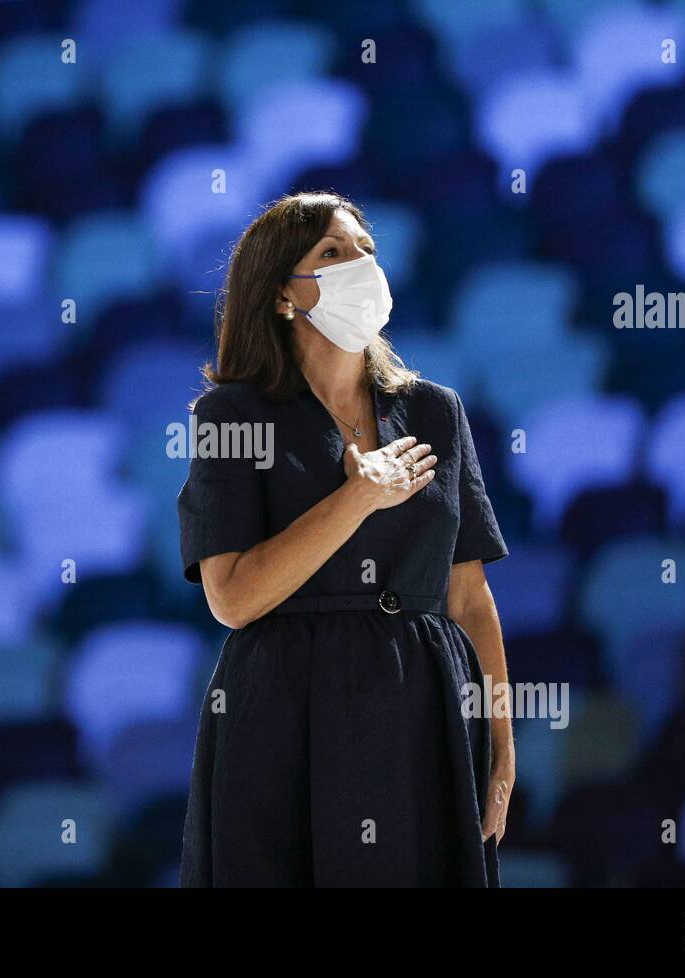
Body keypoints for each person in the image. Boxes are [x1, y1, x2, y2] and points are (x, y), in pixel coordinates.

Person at [176, 192, 514, 887]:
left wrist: (502, 750)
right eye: (332, 253)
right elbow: (233, 598)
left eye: (365, 249)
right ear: (280, 297)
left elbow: (471, 600)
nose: (361, 264)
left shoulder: (434, 411)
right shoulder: (231, 416)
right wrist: (356, 500)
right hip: (283, 716)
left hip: (426, 708)